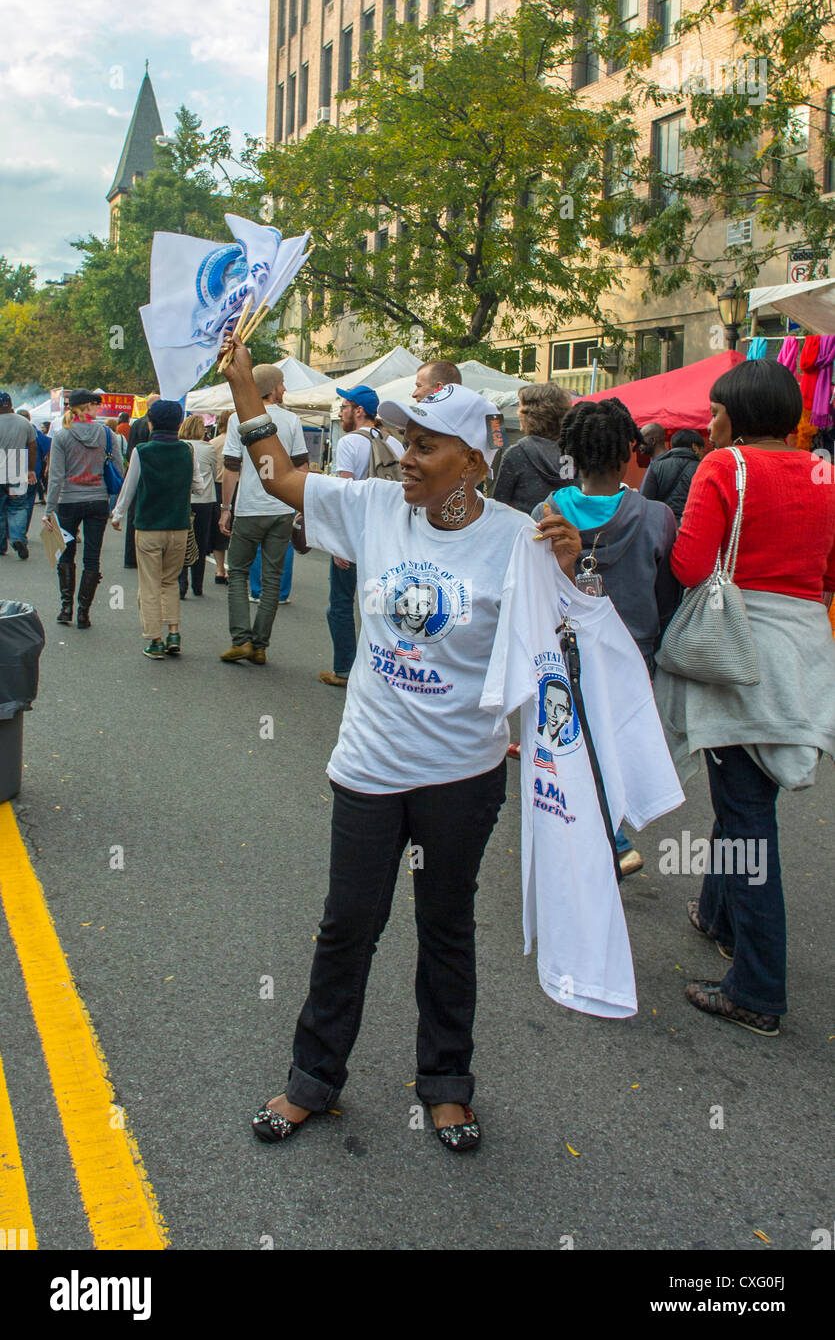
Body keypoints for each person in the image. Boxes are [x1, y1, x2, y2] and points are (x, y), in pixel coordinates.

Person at [220, 330, 581, 1152]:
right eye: (402, 441)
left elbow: (561, 642)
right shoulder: (373, 506)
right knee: (348, 922)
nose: (405, 458)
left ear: (474, 463)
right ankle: (312, 1078)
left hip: (461, 775)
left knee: (446, 926)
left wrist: (570, 563)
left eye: (425, 446)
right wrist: (247, 389)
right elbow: (277, 476)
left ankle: (446, 1085)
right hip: (370, 770)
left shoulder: (517, 537)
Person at [655, 359, 835, 1036]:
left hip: (736, 649)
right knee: (741, 796)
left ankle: (756, 987)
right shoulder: (824, 472)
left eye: (712, 411)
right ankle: (716, 914)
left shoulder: (724, 466)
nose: (707, 423)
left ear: (732, 415)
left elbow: (690, 565)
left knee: (748, 816)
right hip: (802, 651)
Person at [532, 399, 679, 876]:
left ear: (570, 451)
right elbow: (667, 593)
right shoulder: (658, 518)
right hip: (633, 651)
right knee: (620, 740)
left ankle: (599, 836)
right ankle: (612, 828)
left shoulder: (547, 512)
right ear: (626, 453)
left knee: (571, 741)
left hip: (564, 648)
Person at [219, 364, 308, 665]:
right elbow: (302, 468)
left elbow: (231, 468)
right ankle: (260, 645)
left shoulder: (237, 419)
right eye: (281, 384)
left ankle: (241, 639)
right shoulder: (292, 420)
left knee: (238, 573)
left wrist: (225, 509)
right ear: (271, 388)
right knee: (272, 579)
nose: (284, 390)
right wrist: (299, 506)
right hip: (281, 508)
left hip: (249, 508)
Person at [319, 384, 404, 687]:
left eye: (344, 406)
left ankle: (344, 669)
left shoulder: (350, 443)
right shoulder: (396, 445)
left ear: (358, 411)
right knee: (383, 607)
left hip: (357, 536)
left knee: (341, 604)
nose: (340, 412)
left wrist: (338, 542)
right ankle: (385, 670)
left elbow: (346, 495)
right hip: (390, 538)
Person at [111, 400, 210, 658]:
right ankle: (174, 632)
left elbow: (129, 488)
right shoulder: (187, 451)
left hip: (148, 526)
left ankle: (155, 640)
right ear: (178, 424)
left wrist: (118, 514)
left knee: (150, 585)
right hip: (178, 527)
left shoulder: (142, 451)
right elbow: (199, 487)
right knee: (169, 582)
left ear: (151, 422)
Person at [43, 390, 110, 625]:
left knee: (66, 552)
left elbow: (56, 476)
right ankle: (84, 612)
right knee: (92, 557)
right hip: (98, 499)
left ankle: (66, 607)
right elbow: (118, 468)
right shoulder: (105, 433)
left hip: (68, 501)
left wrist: (48, 509)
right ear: (88, 407)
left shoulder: (61, 436)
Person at [493, 383, 576, 514]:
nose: (517, 412)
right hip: (566, 530)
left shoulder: (517, 454)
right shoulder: (575, 452)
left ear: (530, 414)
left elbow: (499, 506)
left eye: (520, 407)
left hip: (525, 530)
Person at [177, 414, 219, 599]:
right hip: (204, 500)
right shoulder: (208, 449)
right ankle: (198, 584)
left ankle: (181, 581)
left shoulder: (179, 447)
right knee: (200, 543)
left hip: (183, 499)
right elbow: (214, 472)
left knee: (181, 542)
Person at [123, 392, 159, 569]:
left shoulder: (136, 424)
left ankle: (130, 557)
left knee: (133, 514)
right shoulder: (155, 426)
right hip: (152, 475)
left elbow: (130, 451)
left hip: (137, 472)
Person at [0, 391, 37, 558]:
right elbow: (33, 446)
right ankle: (17, 538)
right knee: (18, 508)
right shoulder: (24, 423)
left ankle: (1, 545)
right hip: (17, 471)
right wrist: (30, 469)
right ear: (10, 404)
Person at [640, 429, 706, 524]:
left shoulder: (656, 466)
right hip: (689, 526)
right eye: (702, 449)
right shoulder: (702, 468)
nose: (703, 453)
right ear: (695, 447)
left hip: (661, 528)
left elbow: (644, 501)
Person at [209, 409, 231, 583]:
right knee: (234, 529)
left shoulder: (213, 443)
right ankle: (232, 568)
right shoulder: (239, 442)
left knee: (219, 530)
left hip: (216, 487)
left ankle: (219, 569)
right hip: (235, 487)